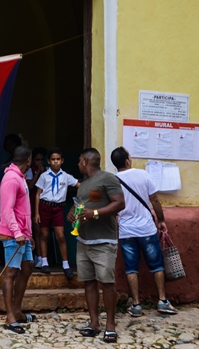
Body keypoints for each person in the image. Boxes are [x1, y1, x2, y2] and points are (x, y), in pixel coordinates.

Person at [110, 147, 178, 317]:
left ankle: (136, 305)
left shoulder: (113, 181)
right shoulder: (143, 175)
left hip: (126, 230)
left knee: (131, 268)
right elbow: (154, 199)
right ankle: (162, 301)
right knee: (156, 265)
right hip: (146, 228)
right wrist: (161, 220)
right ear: (127, 160)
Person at [67, 148, 125, 344]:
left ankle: (110, 325)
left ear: (84, 161)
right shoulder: (84, 185)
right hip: (83, 240)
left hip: (103, 241)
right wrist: (71, 212)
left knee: (107, 283)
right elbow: (81, 203)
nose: (77, 164)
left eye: (78, 161)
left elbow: (119, 203)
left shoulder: (107, 178)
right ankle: (94, 323)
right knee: (89, 282)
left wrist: (96, 214)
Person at [0, 145, 36, 334]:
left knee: (27, 267)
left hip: (24, 234)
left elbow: (23, 211)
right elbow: (7, 209)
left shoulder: (20, 178)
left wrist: (29, 235)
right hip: (13, 234)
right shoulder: (11, 179)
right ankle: (9, 316)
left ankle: (18, 311)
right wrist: (17, 232)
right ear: (28, 160)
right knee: (11, 273)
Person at [33, 147, 80, 279]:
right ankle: (44, 262)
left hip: (58, 208)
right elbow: (38, 194)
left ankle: (65, 265)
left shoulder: (66, 176)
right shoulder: (44, 176)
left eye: (58, 159)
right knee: (44, 235)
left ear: (62, 161)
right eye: (53, 160)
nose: (55, 162)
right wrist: (36, 213)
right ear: (48, 161)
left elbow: (79, 185)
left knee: (60, 236)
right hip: (45, 206)